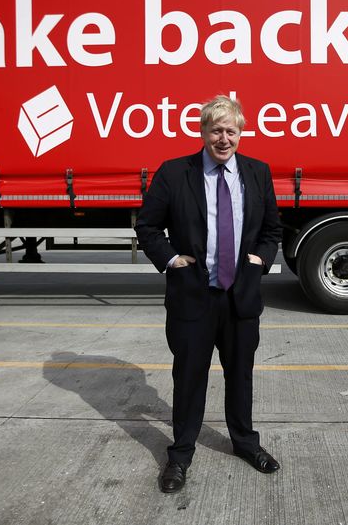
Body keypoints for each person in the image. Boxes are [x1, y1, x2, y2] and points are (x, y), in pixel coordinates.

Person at [135, 95, 282, 493]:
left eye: (230, 130)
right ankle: (180, 454)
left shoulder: (257, 173)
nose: (223, 138)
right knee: (188, 378)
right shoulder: (174, 173)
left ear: (241, 132)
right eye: (215, 130)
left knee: (241, 375)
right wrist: (170, 260)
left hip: (241, 297)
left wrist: (260, 261)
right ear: (202, 132)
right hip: (193, 298)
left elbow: (272, 230)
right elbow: (147, 226)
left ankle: (245, 444)